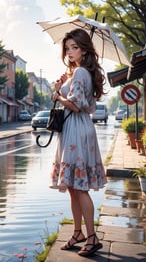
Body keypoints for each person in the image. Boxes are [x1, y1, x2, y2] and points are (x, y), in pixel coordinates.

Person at [50, 28, 107, 257]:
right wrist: (60, 86)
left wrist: (58, 96)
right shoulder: (78, 73)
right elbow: (78, 101)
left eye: (75, 47)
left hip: (76, 130)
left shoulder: (82, 72)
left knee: (80, 188)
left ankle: (92, 237)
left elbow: (74, 104)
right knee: (74, 187)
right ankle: (78, 233)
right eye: (68, 48)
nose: (70, 51)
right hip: (75, 128)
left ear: (84, 50)